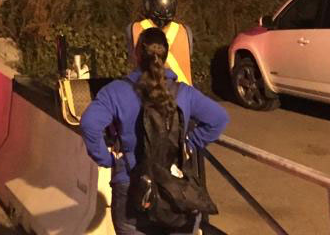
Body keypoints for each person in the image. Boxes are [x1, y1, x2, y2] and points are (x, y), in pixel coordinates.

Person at [81, 27, 228, 235]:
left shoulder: (116, 91)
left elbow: (89, 124)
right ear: (166, 56)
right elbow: (219, 119)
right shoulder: (183, 93)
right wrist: (189, 144)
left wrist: (107, 159)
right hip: (174, 189)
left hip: (131, 186)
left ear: (136, 54)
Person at [127, 0, 194, 85]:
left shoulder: (134, 28)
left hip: (147, 92)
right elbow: (189, 54)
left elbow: (132, 58)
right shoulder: (185, 31)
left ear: (148, 4)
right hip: (183, 93)